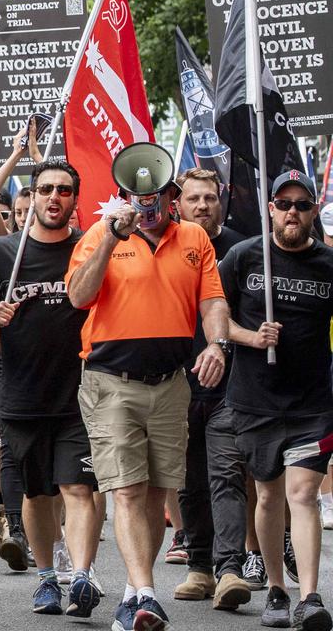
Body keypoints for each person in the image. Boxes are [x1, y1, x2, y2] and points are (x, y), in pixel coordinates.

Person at [65, 147, 228, 631]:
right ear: (123, 196)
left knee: (158, 493)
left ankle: (135, 591)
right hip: (111, 382)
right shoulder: (100, 233)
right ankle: (148, 596)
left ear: (171, 197)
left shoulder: (194, 236)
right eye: (138, 195)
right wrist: (113, 239)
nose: (148, 204)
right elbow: (78, 296)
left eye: (156, 195)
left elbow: (213, 302)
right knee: (130, 491)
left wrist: (217, 345)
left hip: (171, 383)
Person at [0, 160, 103, 618]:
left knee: (79, 488)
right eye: (45, 189)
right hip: (21, 394)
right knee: (36, 495)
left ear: (74, 200)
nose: (54, 197)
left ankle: (81, 576)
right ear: (33, 196)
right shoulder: (2, 253)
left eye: (64, 190)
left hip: (80, 395)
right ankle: (46, 577)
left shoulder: (88, 249)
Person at [220, 171, 333, 630]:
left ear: (312, 212)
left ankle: (310, 595)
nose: (292, 212)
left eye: (301, 205)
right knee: (268, 497)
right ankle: (276, 590)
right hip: (255, 400)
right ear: (269, 208)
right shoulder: (244, 257)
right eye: (283, 204)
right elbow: (213, 316)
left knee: (303, 494)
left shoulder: (328, 264)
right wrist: (251, 336)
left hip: (313, 404)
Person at [166, 168, 251, 610]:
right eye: (193, 198)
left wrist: (226, 343)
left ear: (222, 200)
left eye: (210, 198)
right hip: (177, 385)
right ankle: (198, 567)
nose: (202, 206)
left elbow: (246, 316)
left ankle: (230, 569)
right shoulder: (165, 245)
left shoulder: (241, 248)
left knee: (226, 475)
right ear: (177, 203)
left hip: (229, 386)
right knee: (189, 480)